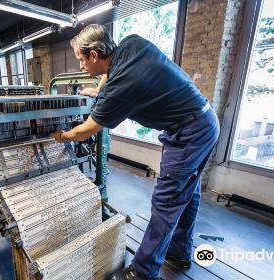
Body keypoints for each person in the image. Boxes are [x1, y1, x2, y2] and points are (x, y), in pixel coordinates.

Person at [50, 24, 220, 280]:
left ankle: (143, 271)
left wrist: (62, 136)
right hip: (205, 121)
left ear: (94, 54)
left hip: (190, 133)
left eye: (82, 60)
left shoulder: (122, 88)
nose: (82, 66)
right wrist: (98, 91)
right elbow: (111, 74)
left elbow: (88, 129)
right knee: (189, 192)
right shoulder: (131, 44)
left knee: (167, 201)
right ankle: (180, 253)